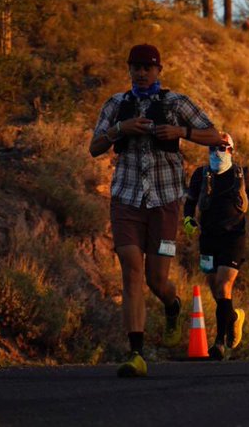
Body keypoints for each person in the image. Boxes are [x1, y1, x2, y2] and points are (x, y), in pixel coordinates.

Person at [89, 44, 221, 377]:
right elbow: (95, 147)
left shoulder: (176, 103)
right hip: (126, 199)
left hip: (165, 203)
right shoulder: (117, 105)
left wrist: (182, 132)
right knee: (131, 270)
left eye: (148, 67)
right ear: (129, 69)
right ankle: (136, 354)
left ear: (159, 69)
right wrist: (121, 129)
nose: (142, 73)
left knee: (156, 279)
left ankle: (172, 304)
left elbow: (217, 136)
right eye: (136, 67)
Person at [182, 132, 249, 360]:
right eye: (213, 148)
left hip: (234, 237)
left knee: (224, 287)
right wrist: (188, 219)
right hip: (208, 238)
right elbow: (191, 201)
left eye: (222, 148)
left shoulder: (241, 174)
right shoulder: (201, 175)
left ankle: (218, 344)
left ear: (231, 150)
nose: (216, 152)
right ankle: (233, 317)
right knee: (215, 290)